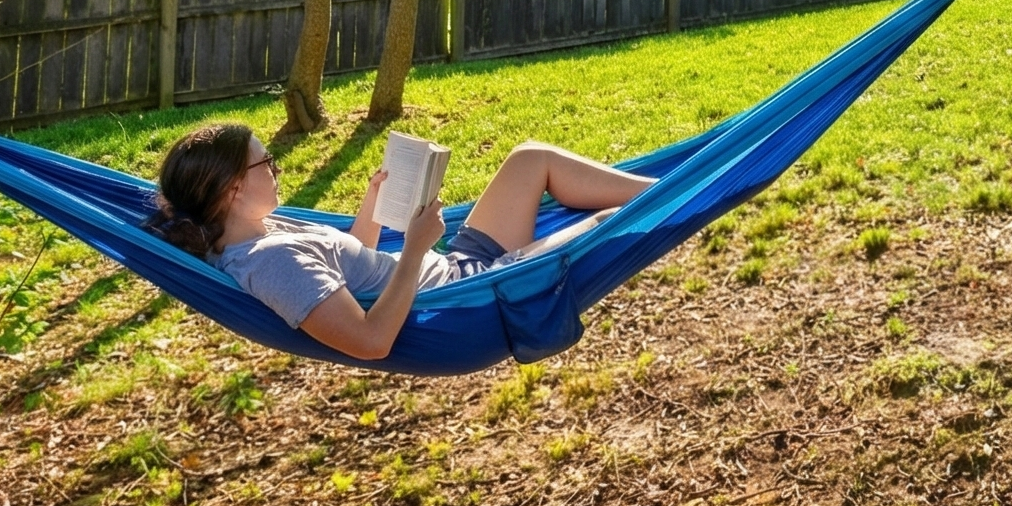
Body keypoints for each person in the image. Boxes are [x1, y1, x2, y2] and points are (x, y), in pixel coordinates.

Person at [144, 122, 653, 360]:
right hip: (475, 294)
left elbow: (352, 262)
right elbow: (370, 340)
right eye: (266, 162)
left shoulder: (263, 229)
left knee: (529, 157)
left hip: (452, 266)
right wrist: (412, 249)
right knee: (612, 220)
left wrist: (373, 202)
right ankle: (685, 192)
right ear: (234, 188)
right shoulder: (271, 263)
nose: (278, 168)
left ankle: (676, 185)